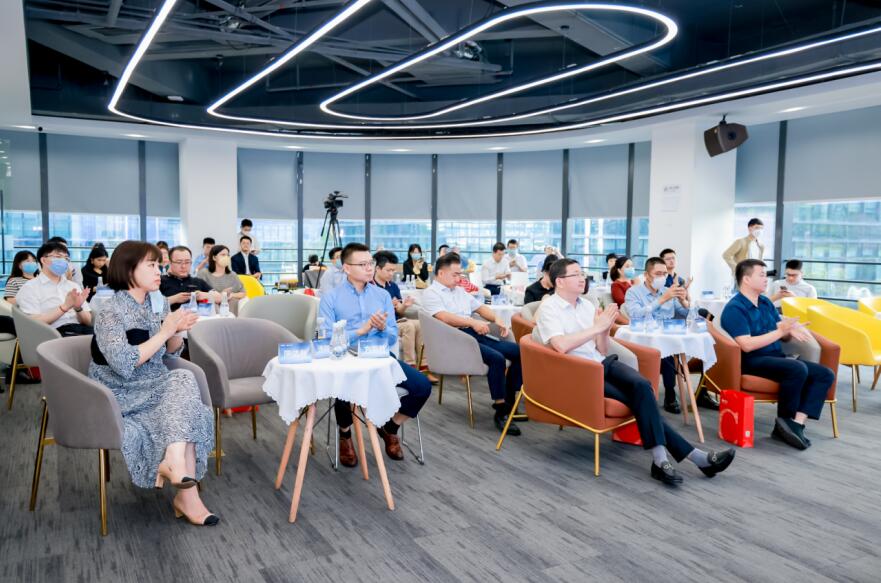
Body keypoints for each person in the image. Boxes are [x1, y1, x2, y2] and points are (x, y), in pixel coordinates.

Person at [535, 258, 735, 485]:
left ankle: (666, 460)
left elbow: (601, 349)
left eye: (582, 273)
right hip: (580, 372)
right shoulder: (549, 308)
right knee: (637, 401)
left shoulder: (587, 305)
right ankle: (683, 458)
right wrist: (597, 327)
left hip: (602, 362)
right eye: (576, 275)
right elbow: (560, 345)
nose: (583, 278)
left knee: (642, 386)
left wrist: (604, 330)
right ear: (560, 281)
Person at [89, 240, 217, 525]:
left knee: (184, 381)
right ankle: (186, 495)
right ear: (128, 270)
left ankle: (177, 469)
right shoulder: (110, 312)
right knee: (187, 399)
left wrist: (177, 331)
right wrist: (164, 332)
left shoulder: (153, 304)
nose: (159, 271)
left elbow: (167, 354)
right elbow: (124, 364)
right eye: (151, 265)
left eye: (159, 265)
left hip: (152, 383)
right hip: (119, 391)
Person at [319, 243, 432, 465]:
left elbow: (391, 337)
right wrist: (361, 331)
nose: (369, 268)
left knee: (422, 387)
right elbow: (327, 339)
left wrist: (381, 328)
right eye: (362, 264)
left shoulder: (382, 296)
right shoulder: (331, 297)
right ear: (347, 268)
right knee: (343, 387)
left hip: (379, 358)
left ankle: (390, 427)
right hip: (346, 358)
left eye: (370, 263)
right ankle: (345, 434)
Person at [720, 259, 834, 450]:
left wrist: (788, 331)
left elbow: (781, 334)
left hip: (774, 357)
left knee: (825, 374)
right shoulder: (735, 308)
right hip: (751, 360)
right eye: (762, 275)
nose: (767, 279)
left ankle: (795, 425)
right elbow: (746, 345)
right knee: (797, 368)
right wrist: (780, 331)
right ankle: (785, 421)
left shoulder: (765, 302)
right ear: (746, 279)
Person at [423, 252, 523, 434]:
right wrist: (472, 322)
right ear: (441, 273)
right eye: (455, 275)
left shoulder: (459, 291)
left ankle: (509, 400)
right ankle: (501, 411)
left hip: (473, 335)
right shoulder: (431, 293)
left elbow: (480, 308)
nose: (459, 278)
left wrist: (497, 319)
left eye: (460, 274)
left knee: (519, 352)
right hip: (454, 339)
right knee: (497, 358)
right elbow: (444, 317)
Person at [623, 257, 691, 414]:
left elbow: (687, 315)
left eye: (665, 274)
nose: (662, 277)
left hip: (665, 339)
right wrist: (661, 300)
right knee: (664, 352)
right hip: (642, 341)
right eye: (658, 274)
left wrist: (684, 301)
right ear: (647, 275)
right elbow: (636, 315)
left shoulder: (667, 291)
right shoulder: (633, 292)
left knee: (667, 350)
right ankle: (668, 393)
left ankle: (671, 393)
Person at [372, 250, 438, 383]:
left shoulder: (393, 286)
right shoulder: (370, 287)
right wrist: (387, 305)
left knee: (420, 324)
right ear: (377, 268)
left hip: (398, 320)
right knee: (409, 326)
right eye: (388, 270)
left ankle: (424, 368)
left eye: (393, 270)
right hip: (384, 324)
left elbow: (400, 312)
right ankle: (409, 367)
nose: (391, 273)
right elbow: (370, 313)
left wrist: (405, 306)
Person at [17, 240, 93, 336]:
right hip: (54, 333)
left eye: (66, 258)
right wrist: (64, 307)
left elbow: (88, 321)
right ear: (43, 260)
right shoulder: (30, 288)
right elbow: (33, 324)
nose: (63, 261)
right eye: (58, 257)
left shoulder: (73, 286)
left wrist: (78, 308)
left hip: (82, 329)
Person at [160, 246, 216, 311]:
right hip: (171, 316)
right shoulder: (160, 281)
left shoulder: (197, 281)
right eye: (179, 262)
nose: (183, 266)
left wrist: (204, 295)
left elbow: (219, 297)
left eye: (187, 262)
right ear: (170, 263)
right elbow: (152, 306)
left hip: (197, 316)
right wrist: (174, 299)